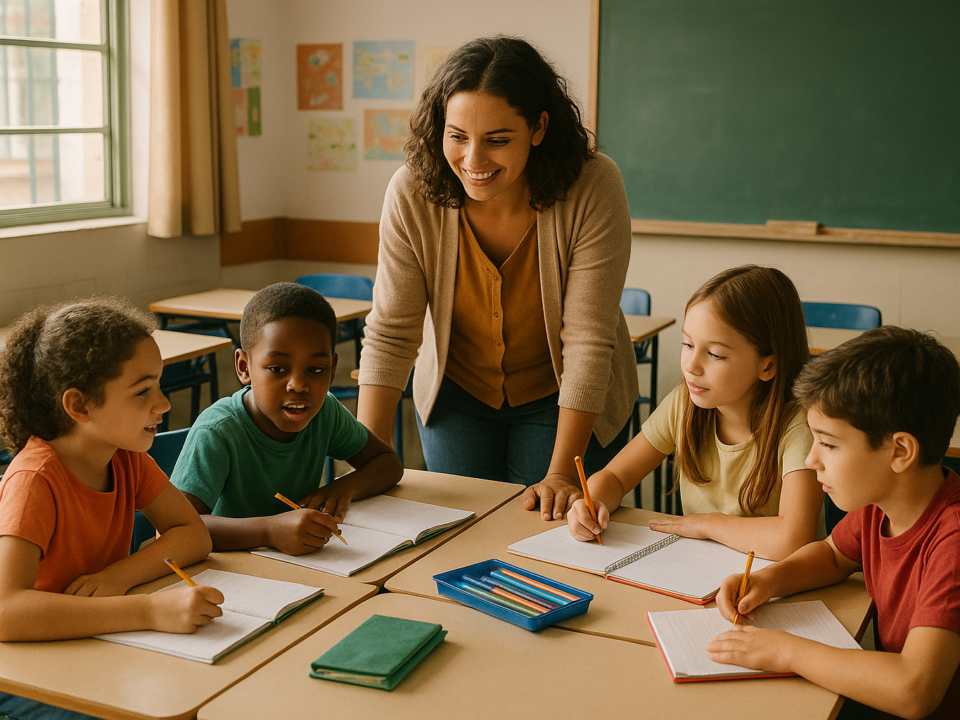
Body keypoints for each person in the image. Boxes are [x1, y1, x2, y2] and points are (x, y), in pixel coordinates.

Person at [357, 35, 638, 522]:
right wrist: (370, 461)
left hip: (561, 395)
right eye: (457, 136)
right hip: (457, 393)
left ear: (539, 127)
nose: (473, 160)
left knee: (544, 531)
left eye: (498, 140)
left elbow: (589, 340)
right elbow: (390, 333)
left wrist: (561, 474)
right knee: (460, 531)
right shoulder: (411, 191)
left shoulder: (593, 185)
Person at [709, 327, 960, 720]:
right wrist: (768, 580)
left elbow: (914, 689)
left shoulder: (953, 542)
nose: (811, 460)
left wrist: (784, 651)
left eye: (828, 443)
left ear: (900, 451)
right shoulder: (880, 505)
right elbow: (831, 557)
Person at [0, 298, 221, 720]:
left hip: (99, 643)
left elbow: (193, 534)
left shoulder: (125, 456)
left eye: (159, 384)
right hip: (30, 667)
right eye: (143, 391)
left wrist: (118, 576)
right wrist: (149, 610)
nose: (164, 403)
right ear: (80, 406)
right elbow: (6, 613)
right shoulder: (34, 480)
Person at [568, 265, 821, 561]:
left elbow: (794, 539)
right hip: (700, 570)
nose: (691, 365)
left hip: (775, 583)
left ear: (767, 366)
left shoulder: (799, 425)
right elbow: (616, 476)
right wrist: (592, 501)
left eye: (715, 354)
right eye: (688, 344)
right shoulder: (684, 403)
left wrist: (708, 524)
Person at [172, 282, 402, 554]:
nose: (298, 385)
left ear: (333, 368)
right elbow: (177, 529)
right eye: (277, 368)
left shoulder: (325, 412)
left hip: (297, 566)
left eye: (316, 369)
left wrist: (344, 488)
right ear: (244, 367)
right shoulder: (219, 431)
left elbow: (387, 464)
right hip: (231, 575)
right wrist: (268, 531)